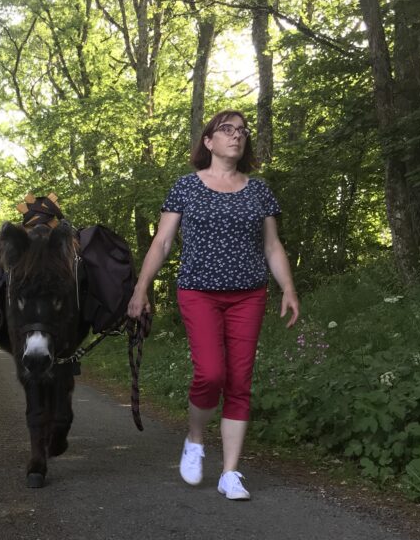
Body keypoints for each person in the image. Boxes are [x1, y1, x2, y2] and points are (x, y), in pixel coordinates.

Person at [127, 110, 299, 500]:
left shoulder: (259, 191)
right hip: (199, 292)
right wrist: (141, 289)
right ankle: (194, 438)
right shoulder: (186, 187)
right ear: (208, 141)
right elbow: (163, 242)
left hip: (249, 294)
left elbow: (272, 246)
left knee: (240, 382)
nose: (236, 136)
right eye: (226, 130)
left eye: (241, 131)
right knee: (210, 374)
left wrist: (288, 288)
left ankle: (230, 473)